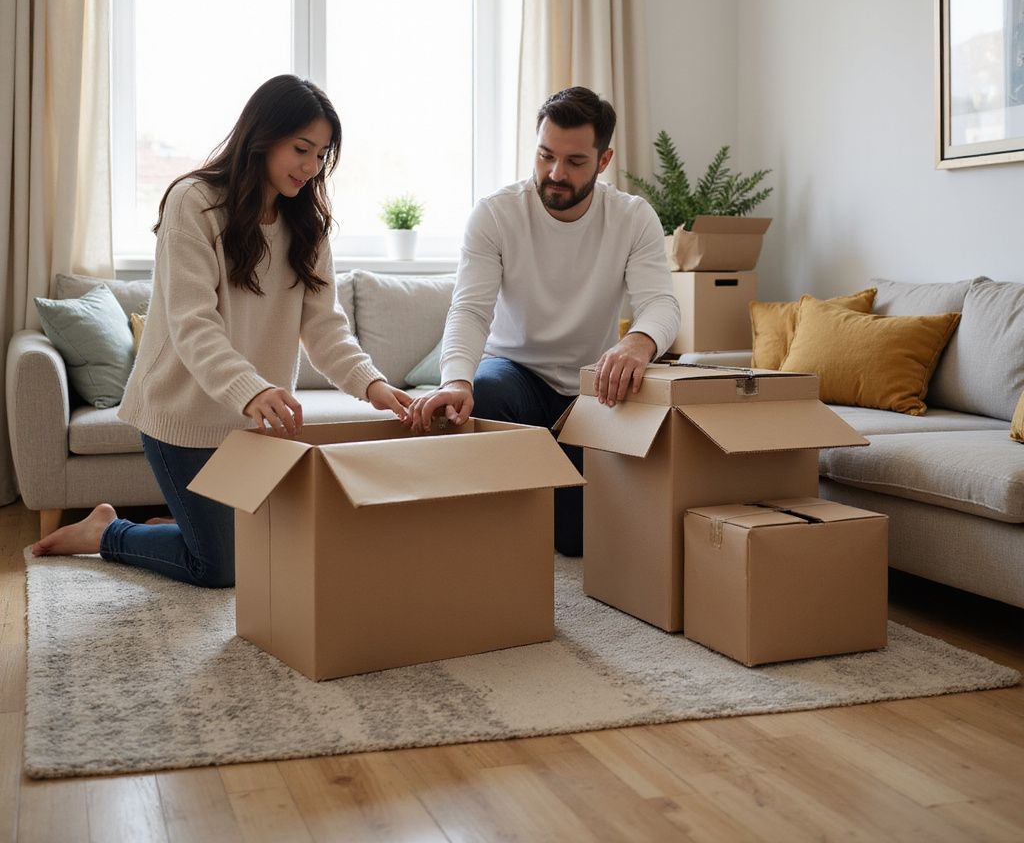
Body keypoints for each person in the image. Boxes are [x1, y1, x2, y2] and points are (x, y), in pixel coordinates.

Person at [31, 74, 411, 585]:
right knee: (220, 567)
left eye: (321, 155)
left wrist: (374, 385)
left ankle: (189, 525)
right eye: (301, 148)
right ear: (261, 138)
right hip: (180, 414)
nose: (311, 166)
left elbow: (325, 327)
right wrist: (252, 389)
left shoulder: (308, 225)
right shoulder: (195, 203)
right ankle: (105, 533)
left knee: (275, 548)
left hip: (256, 426)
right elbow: (193, 325)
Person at [408, 86, 680, 556]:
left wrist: (637, 342)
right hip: (514, 375)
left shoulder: (633, 218)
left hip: (589, 393)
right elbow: (470, 310)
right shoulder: (496, 214)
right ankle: (504, 528)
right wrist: (456, 379)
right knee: (485, 389)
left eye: (575, 161)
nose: (555, 174)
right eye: (545, 155)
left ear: (603, 159)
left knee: (575, 542)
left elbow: (662, 305)